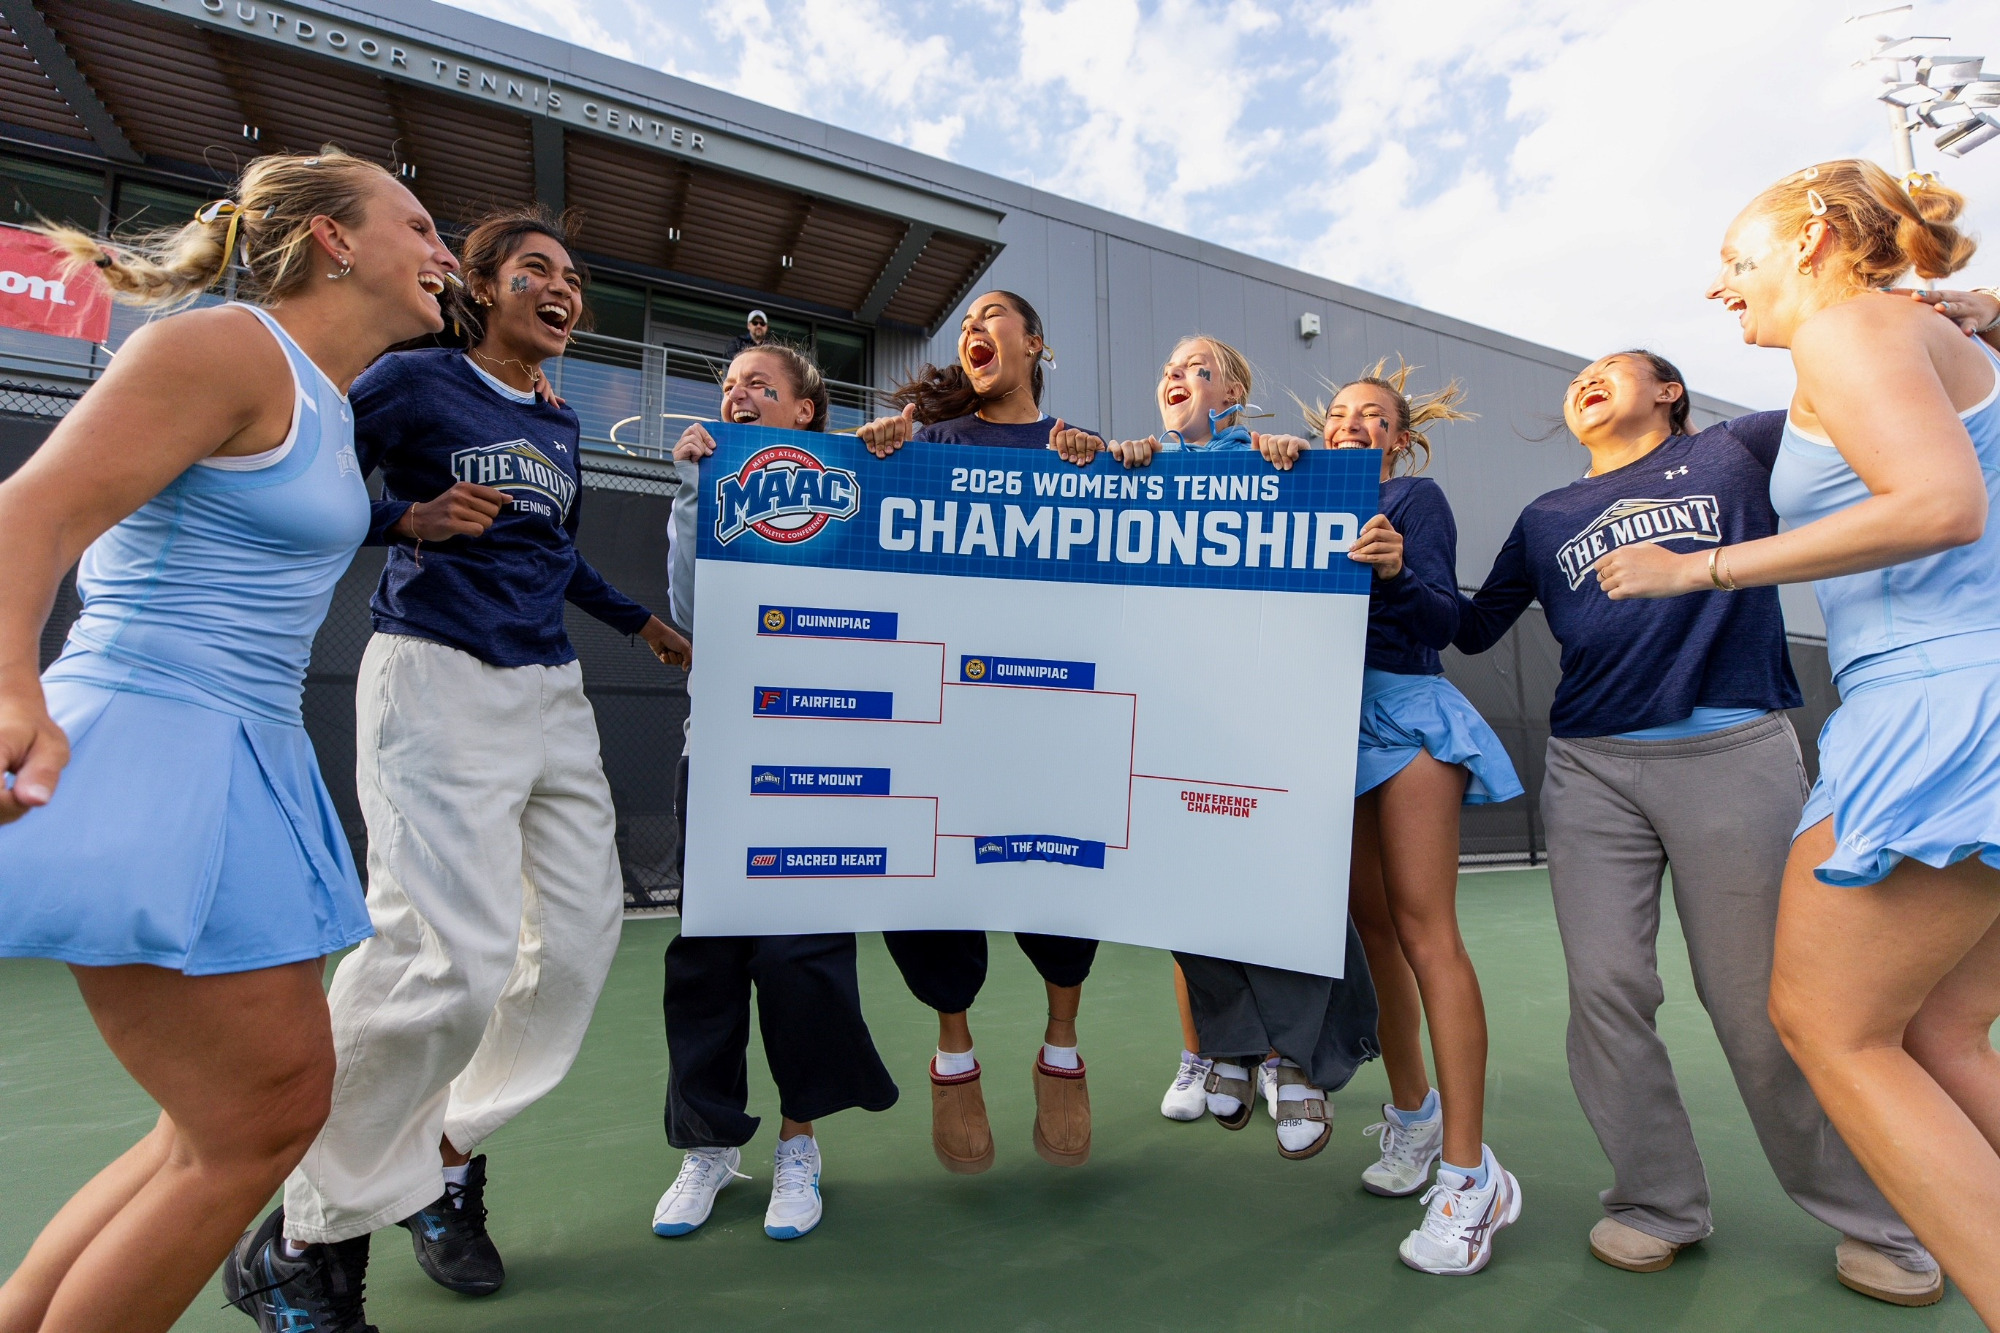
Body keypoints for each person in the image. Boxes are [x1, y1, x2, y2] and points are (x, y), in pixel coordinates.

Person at [0, 150, 459, 1333]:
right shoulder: (223, 346)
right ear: (333, 241)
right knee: (252, 1123)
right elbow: (30, 511)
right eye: (418, 223)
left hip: (246, 750)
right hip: (161, 736)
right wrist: (9, 688)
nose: (445, 250)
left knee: (217, 1128)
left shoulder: (326, 394)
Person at [241, 206, 690, 1327]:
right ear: (481, 290)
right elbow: (301, 490)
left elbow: (555, 549)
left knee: (577, 947)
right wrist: (408, 516)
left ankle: (440, 1156)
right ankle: (306, 1234)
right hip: (435, 677)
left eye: (573, 276)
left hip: (548, 692)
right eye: (534, 269)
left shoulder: (555, 421)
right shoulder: (410, 383)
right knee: (448, 958)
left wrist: (640, 622)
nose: (561, 288)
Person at [1594, 160, 2000, 1323]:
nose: (1720, 289)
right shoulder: (1917, 336)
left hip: (1934, 712)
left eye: (1736, 260)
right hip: (1966, 700)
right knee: (1938, 1032)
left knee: (1826, 1026)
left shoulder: (1849, 330)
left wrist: (1697, 567)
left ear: (1812, 238)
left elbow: (1937, 503)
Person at [1454, 349, 1938, 1303]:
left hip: (1730, 753)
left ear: (1669, 391)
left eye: (1614, 368)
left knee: (1757, 1004)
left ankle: (1873, 1218)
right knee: (1607, 990)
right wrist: (1387, 560)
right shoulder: (1546, 515)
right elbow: (1468, 629)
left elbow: (1857, 386)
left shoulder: (1736, 449)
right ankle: (1657, 1202)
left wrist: (1938, 322)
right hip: (1591, 765)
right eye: (1576, 376)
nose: (1586, 380)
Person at [1059, 335, 1383, 1155]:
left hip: (1268, 714)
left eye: (1196, 366)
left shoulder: (1278, 462)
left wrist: (1294, 459)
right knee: (1188, 883)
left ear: (1236, 391)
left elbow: (1319, 518)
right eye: (1166, 365)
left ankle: (1304, 1060)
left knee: (1282, 878)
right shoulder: (1140, 467)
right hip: (1173, 712)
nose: (1174, 373)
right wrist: (1115, 464)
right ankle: (1233, 1045)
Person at [1262, 361, 1525, 1274]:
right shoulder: (1292, 488)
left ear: (1400, 438)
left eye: (1372, 417)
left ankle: (1470, 1169)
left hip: (1405, 706)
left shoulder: (1417, 496)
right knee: (1372, 927)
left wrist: (1401, 567)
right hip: (1321, 713)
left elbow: (1449, 617)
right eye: (1338, 415)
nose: (1352, 425)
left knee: (1425, 930)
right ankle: (1413, 1115)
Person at [649, 344, 900, 1242]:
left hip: (821, 760)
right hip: (718, 754)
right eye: (727, 387)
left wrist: (899, 454)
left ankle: (801, 1142)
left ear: (804, 412)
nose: (738, 395)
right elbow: (689, 610)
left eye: (761, 385)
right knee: (708, 962)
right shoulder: (710, 489)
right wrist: (689, 489)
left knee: (801, 959)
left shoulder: (859, 493)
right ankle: (708, 1145)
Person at [851, 289, 1102, 1173]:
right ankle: (953, 1048)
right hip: (947, 704)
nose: (972, 331)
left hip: (1056, 710)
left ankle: (1060, 1045)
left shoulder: (1086, 451)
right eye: (962, 324)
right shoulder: (929, 444)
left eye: (991, 316)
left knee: (1066, 871)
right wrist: (874, 459)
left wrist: (1134, 465)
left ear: (1034, 340)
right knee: (931, 877)